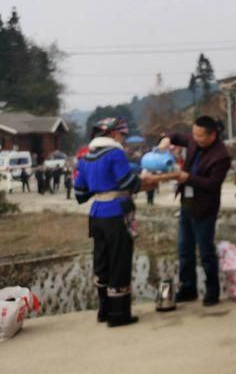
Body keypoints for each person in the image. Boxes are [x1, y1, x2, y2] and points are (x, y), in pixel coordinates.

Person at [74, 117, 157, 327]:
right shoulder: (115, 153)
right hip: (116, 212)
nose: (123, 138)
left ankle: (104, 310)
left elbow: (80, 192)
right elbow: (127, 182)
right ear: (112, 134)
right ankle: (119, 314)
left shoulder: (85, 158)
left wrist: (98, 185)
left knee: (101, 261)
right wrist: (143, 181)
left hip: (96, 214)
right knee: (119, 260)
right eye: (122, 134)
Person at [154, 116, 231, 306]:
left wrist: (186, 178)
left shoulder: (221, 156)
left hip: (205, 209)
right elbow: (175, 136)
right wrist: (167, 139)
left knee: (206, 252)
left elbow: (213, 184)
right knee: (184, 251)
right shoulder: (193, 140)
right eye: (194, 133)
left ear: (212, 135)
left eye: (200, 135)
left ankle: (212, 291)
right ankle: (188, 288)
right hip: (186, 205)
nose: (195, 138)